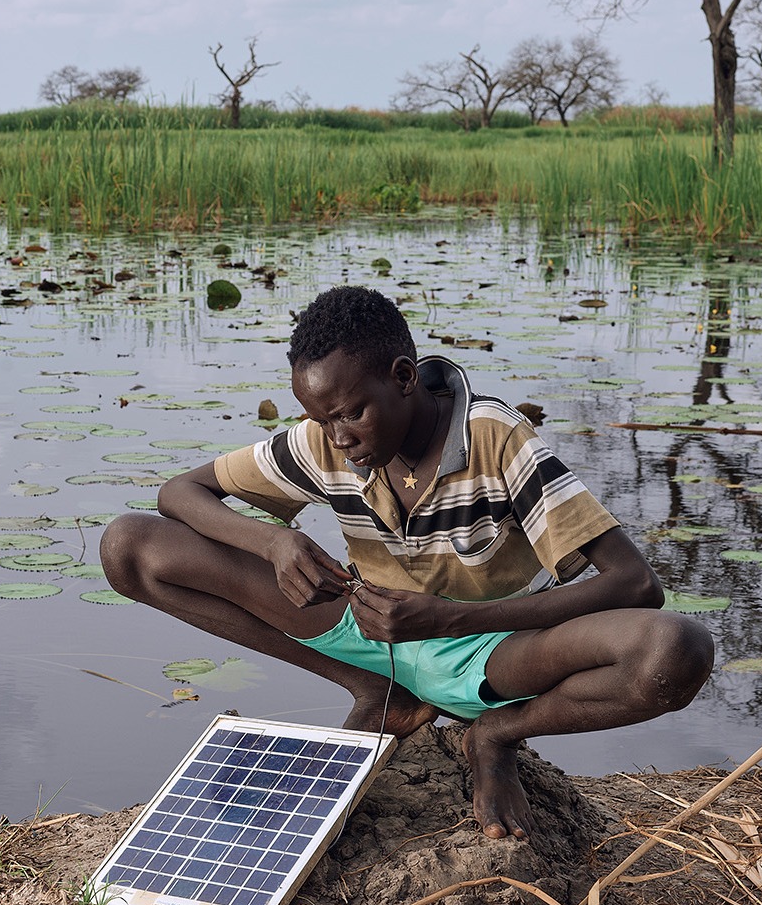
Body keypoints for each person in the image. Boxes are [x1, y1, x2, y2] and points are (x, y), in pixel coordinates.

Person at [100, 286, 714, 840]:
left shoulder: (496, 438)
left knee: (673, 651)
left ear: (403, 378)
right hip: (367, 629)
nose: (337, 438)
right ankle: (375, 688)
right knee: (129, 547)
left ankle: (494, 735)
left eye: (349, 414)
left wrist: (450, 620)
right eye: (320, 418)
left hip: (493, 649)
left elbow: (635, 583)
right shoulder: (323, 440)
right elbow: (178, 494)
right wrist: (273, 543)